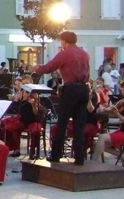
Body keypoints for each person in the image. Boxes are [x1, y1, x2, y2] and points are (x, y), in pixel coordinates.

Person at [35, 30, 90, 165]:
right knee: (79, 125)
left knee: (62, 123)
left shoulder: (65, 53)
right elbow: (87, 73)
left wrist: (36, 68)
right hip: (83, 89)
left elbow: (50, 67)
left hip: (70, 89)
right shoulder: (84, 53)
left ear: (64, 41)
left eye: (61, 41)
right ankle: (79, 157)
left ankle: (55, 155)